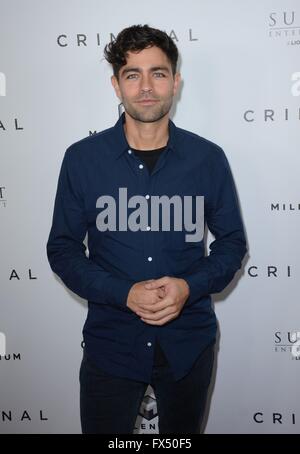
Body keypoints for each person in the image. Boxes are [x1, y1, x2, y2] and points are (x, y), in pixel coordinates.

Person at [46, 24, 247, 434]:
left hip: (188, 344)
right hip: (111, 347)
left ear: (175, 82)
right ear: (116, 86)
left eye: (157, 73)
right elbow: (63, 249)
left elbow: (231, 245)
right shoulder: (82, 159)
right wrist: (125, 293)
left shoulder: (208, 159)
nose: (146, 87)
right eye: (132, 74)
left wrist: (188, 286)